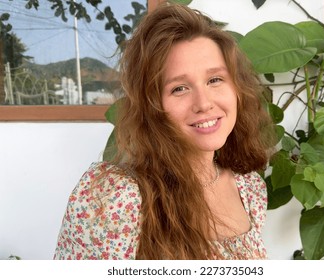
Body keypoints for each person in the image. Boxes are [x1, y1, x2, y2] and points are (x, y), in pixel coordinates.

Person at [54, 2, 274, 260]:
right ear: (151, 105)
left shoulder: (250, 189)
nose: (204, 103)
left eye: (215, 80)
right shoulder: (115, 198)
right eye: (179, 88)